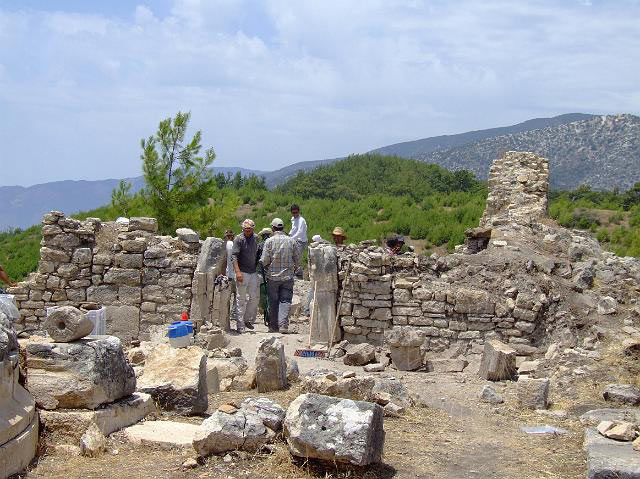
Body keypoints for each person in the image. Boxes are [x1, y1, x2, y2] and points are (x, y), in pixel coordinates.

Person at [260, 218, 300, 334]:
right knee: (286, 300)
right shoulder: (292, 241)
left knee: (273, 301)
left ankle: (273, 326)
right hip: (287, 277)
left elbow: (265, 260)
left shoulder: (269, 241)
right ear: (283, 228)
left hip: (273, 277)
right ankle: (283, 325)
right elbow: (297, 260)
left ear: (273, 228)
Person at [231, 219, 260, 333]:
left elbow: (257, 253)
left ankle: (247, 319)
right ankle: (240, 324)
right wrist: (237, 272)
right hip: (242, 272)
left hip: (253, 271)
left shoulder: (256, 238)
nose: (247, 231)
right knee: (241, 298)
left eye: (249, 230)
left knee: (254, 298)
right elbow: (234, 256)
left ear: (253, 229)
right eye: (245, 230)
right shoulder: (239, 239)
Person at [288, 204, 307, 278]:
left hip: (300, 241)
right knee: (292, 257)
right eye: (293, 213)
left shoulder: (301, 220)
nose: (295, 214)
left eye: (296, 212)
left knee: (297, 258)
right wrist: (289, 235)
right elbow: (293, 229)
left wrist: (292, 238)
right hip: (294, 240)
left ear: (299, 211)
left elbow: (300, 232)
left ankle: (299, 275)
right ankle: (296, 272)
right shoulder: (293, 219)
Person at [224, 229, 237, 322]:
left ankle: (226, 313)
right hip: (236, 274)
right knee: (237, 295)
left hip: (226, 274)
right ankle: (234, 314)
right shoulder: (234, 245)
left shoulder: (223, 246)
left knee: (226, 296)